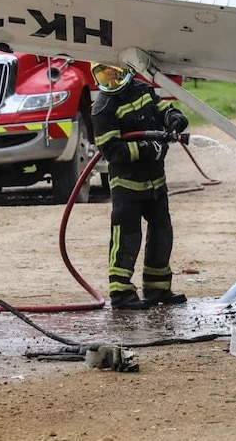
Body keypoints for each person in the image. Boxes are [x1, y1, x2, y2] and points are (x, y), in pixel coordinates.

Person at [90, 63, 190, 310]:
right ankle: (121, 293)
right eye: (104, 76)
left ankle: (158, 288)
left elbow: (161, 107)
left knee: (162, 232)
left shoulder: (143, 89)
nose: (110, 81)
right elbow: (112, 150)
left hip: (156, 181)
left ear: (125, 71)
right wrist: (146, 148)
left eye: (114, 74)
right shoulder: (102, 108)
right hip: (127, 185)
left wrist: (173, 116)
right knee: (127, 236)